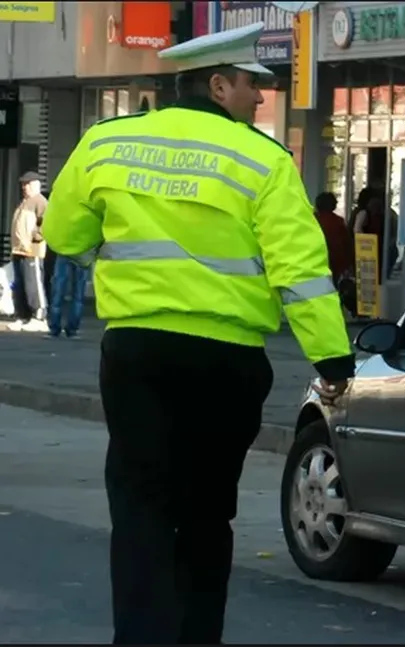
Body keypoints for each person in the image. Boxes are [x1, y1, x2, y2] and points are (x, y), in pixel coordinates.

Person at [40, 22, 355, 645]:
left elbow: (63, 237)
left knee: (140, 506)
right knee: (207, 513)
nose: (262, 98)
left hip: (136, 355)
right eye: (252, 86)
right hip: (226, 362)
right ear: (216, 85)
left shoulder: (107, 142)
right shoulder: (262, 160)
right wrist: (333, 360)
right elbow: (300, 271)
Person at [9, 171, 48, 332]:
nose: (24, 187)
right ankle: (22, 315)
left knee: (33, 284)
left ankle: (39, 316)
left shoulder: (40, 201)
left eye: (27, 184)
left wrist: (36, 236)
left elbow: (47, 223)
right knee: (20, 285)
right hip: (19, 250)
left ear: (35, 185)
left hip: (32, 250)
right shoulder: (24, 202)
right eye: (23, 184)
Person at [44, 239, 91, 339]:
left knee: (58, 290)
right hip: (82, 251)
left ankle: (54, 328)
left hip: (65, 249)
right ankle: (72, 329)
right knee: (78, 293)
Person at [314, 191, 352, 284]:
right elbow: (346, 243)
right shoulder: (338, 221)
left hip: (316, 257)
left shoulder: (313, 220)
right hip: (335, 259)